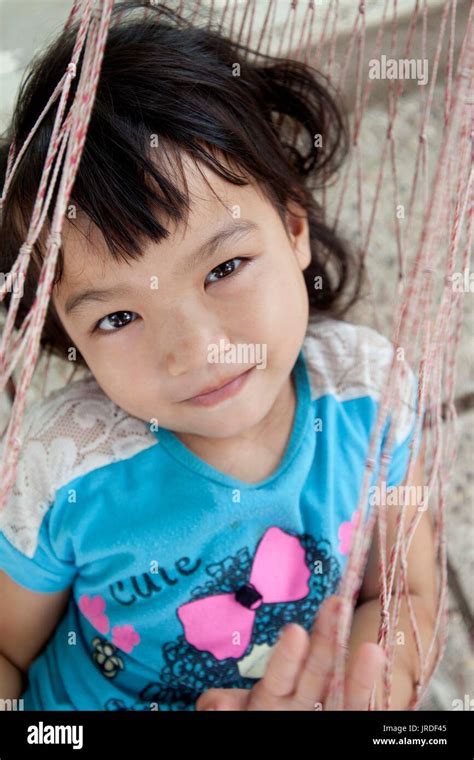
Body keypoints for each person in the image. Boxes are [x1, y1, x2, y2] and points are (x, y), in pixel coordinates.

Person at [0, 2, 438, 711]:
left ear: (295, 228)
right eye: (116, 317)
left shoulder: (371, 396)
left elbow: (405, 591)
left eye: (225, 267)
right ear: (66, 334)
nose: (197, 351)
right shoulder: (64, 470)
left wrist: (363, 682)